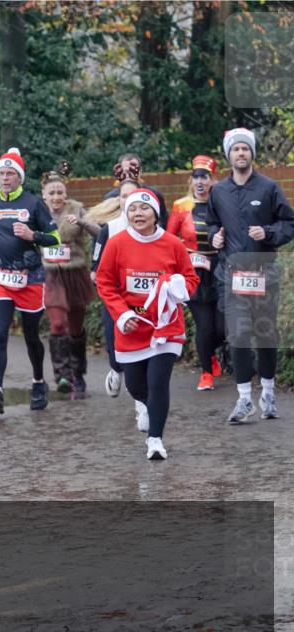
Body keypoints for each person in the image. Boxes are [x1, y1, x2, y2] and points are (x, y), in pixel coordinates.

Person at [96, 188, 199, 459]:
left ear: (155, 213)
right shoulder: (117, 243)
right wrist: (123, 314)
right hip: (131, 326)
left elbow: (191, 280)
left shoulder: (173, 244)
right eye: (132, 209)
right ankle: (145, 405)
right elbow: (105, 283)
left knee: (158, 382)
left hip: (165, 327)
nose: (137, 213)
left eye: (143, 208)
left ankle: (155, 441)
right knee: (136, 386)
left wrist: (178, 287)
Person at [208, 128, 294, 423]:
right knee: (240, 335)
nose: (241, 153)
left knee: (265, 335)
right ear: (228, 155)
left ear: (252, 154)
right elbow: (211, 223)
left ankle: (268, 392)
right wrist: (213, 237)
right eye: (236, 149)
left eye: (245, 149)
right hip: (232, 276)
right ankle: (244, 399)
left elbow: (289, 223)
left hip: (264, 275)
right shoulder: (218, 191)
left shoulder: (268, 188)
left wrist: (268, 232)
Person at [0, 148, 60, 414]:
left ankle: (38, 381)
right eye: (1, 173)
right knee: (0, 333)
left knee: (30, 336)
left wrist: (32, 235)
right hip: (1, 278)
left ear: (20, 177)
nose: (5, 178)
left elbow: (56, 238)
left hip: (31, 278)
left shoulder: (33, 203)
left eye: (11, 174)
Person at [166, 155, 225, 391]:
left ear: (213, 180)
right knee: (204, 326)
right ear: (191, 181)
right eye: (196, 177)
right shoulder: (181, 206)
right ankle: (206, 372)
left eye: (205, 177)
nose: (200, 181)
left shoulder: (221, 203)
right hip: (195, 274)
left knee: (223, 327)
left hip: (220, 269)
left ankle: (210, 352)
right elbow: (169, 239)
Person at [40, 163, 100, 395]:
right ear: (44, 194)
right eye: (51, 193)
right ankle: (62, 376)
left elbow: (99, 232)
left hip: (76, 272)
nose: (56, 197)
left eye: (60, 192)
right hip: (51, 273)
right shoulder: (38, 211)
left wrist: (82, 222)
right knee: (57, 323)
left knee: (75, 327)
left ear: (65, 193)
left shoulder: (76, 208)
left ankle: (78, 373)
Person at [90, 179, 139, 406]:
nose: (128, 200)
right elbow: (95, 267)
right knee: (113, 339)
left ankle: (140, 397)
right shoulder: (109, 229)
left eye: (133, 195)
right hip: (115, 297)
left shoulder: (152, 229)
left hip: (142, 298)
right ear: (118, 201)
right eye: (123, 196)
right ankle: (115, 369)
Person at [102, 152, 169, 228]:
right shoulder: (110, 197)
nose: (130, 175)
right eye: (126, 171)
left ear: (140, 171)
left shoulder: (154, 195)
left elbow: (163, 223)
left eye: (134, 170)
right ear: (119, 171)